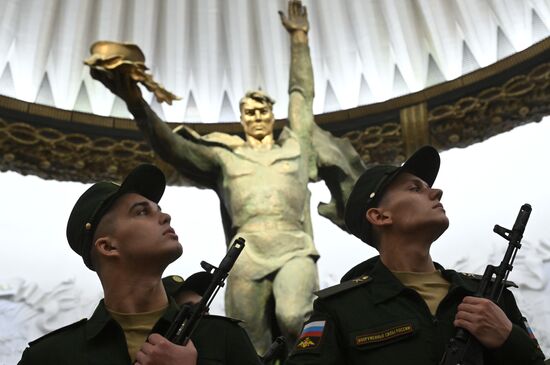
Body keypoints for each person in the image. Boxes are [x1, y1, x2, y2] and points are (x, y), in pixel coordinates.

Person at [88, 0, 364, 354]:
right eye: (249, 112)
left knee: (297, 316)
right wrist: (137, 104)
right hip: (246, 251)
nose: (257, 116)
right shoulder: (225, 156)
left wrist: (299, 41)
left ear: (272, 113)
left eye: (263, 109)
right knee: (247, 339)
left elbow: (302, 96)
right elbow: (172, 147)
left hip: (293, 245)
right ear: (242, 118)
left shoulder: (297, 147)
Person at [286, 145, 546, 364]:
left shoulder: (491, 296)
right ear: (379, 216)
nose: (436, 191)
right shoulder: (341, 309)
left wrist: (509, 337)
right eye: (415, 188)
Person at [18, 164, 261, 365]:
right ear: (108, 247)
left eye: (159, 210)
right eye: (141, 212)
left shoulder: (224, 338)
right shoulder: (48, 357)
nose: (165, 217)